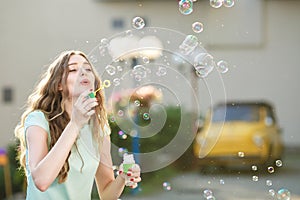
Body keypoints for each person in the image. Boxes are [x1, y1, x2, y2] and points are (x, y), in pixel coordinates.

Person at [14, 50, 141, 200]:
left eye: (88, 69)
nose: (83, 72)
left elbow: (107, 195)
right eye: (73, 69)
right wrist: (75, 123)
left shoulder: (98, 127)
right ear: (59, 84)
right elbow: (41, 181)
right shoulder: (38, 120)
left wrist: (122, 178)